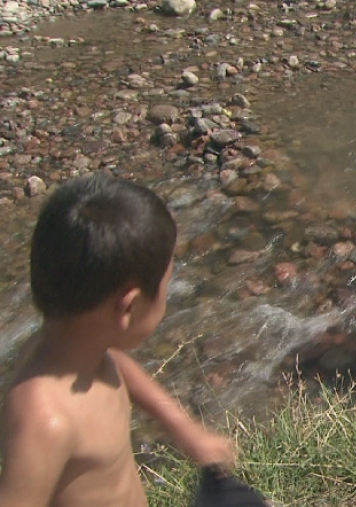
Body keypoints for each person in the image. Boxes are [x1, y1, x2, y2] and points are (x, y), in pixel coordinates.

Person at [0, 175, 235, 507]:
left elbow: (120, 366)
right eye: (166, 285)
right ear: (128, 306)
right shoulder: (45, 422)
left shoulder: (79, 350)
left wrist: (184, 428)